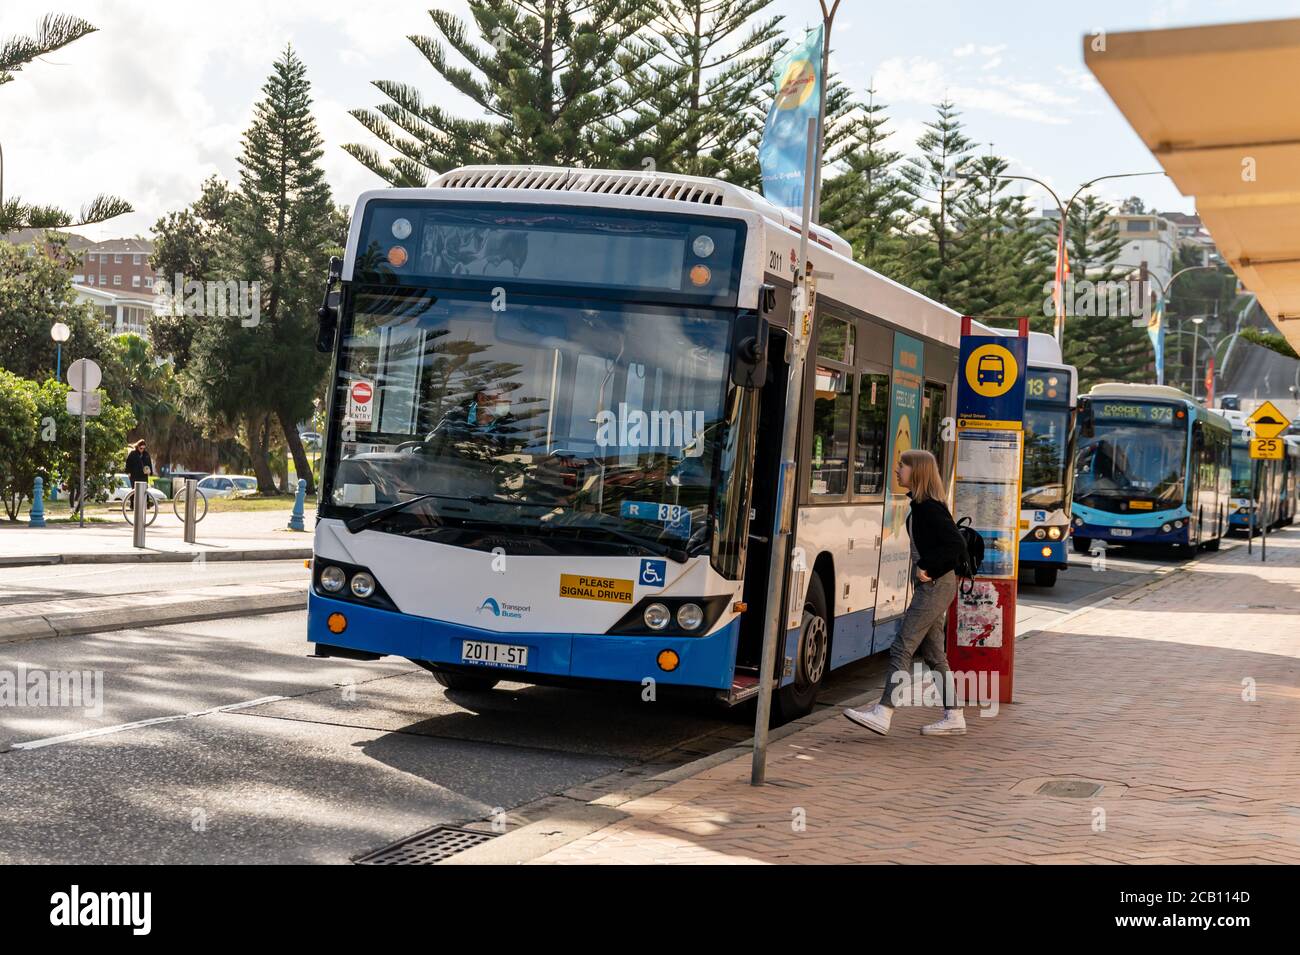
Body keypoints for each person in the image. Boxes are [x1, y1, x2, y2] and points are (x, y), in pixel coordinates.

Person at [844, 448, 969, 737]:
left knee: (902, 645)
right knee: (935, 654)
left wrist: (928, 567)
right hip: (936, 584)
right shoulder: (924, 505)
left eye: (903, 466)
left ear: (918, 471)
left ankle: (883, 712)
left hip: (936, 585)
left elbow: (956, 545)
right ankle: (954, 715)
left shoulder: (930, 508)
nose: (898, 470)